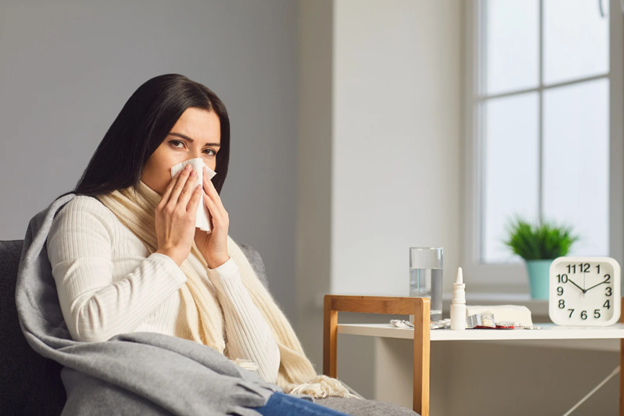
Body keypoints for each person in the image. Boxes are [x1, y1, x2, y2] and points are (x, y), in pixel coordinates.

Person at [47, 74, 417, 416]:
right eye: (178, 144)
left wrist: (220, 262)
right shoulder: (88, 214)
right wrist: (169, 254)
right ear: (139, 145)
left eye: (209, 151)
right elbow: (91, 329)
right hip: (145, 396)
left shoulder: (207, 241)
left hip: (226, 395)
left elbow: (263, 370)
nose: (196, 166)